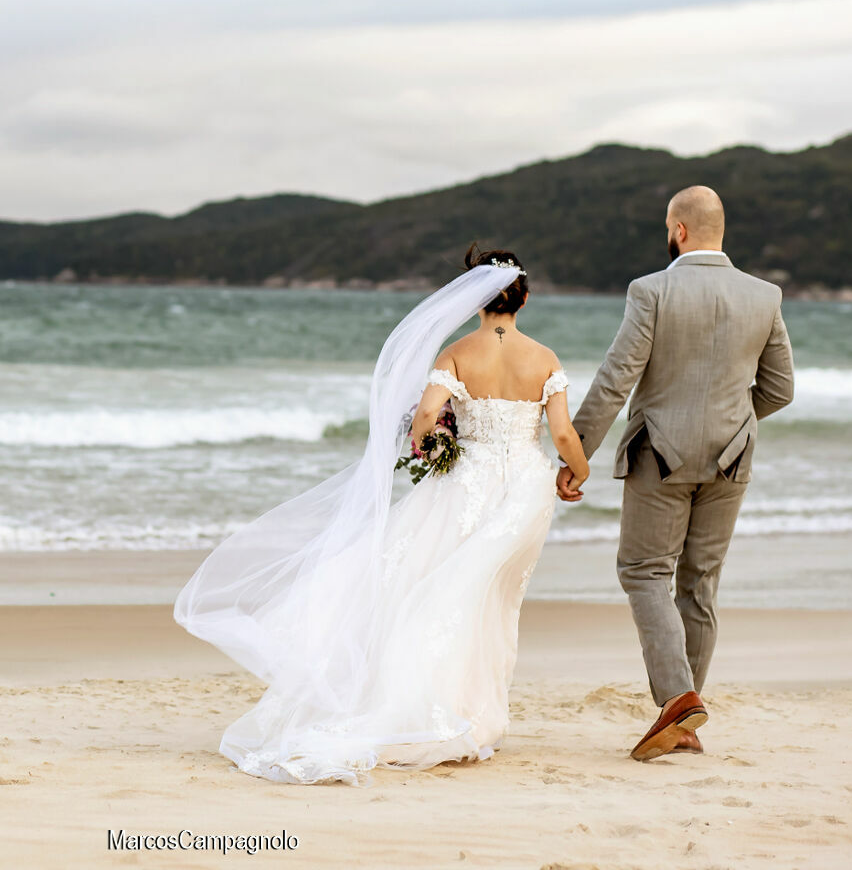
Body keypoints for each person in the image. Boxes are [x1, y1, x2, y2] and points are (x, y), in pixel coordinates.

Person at [175, 245, 590, 785]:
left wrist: (433, 440)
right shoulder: (545, 358)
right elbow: (561, 433)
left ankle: (448, 709)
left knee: (439, 590)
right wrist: (575, 474)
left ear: (475, 300)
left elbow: (422, 415)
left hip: (464, 486)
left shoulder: (457, 353)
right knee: (489, 597)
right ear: (525, 299)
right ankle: (475, 714)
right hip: (522, 496)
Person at [560, 185, 795, 761]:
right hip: (733, 456)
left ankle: (677, 699)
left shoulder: (652, 290)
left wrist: (576, 454)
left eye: (668, 228)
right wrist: (734, 422)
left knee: (643, 572)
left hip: (660, 458)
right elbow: (780, 389)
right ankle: (684, 721)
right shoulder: (764, 295)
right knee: (700, 582)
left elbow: (617, 379)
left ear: (679, 231)